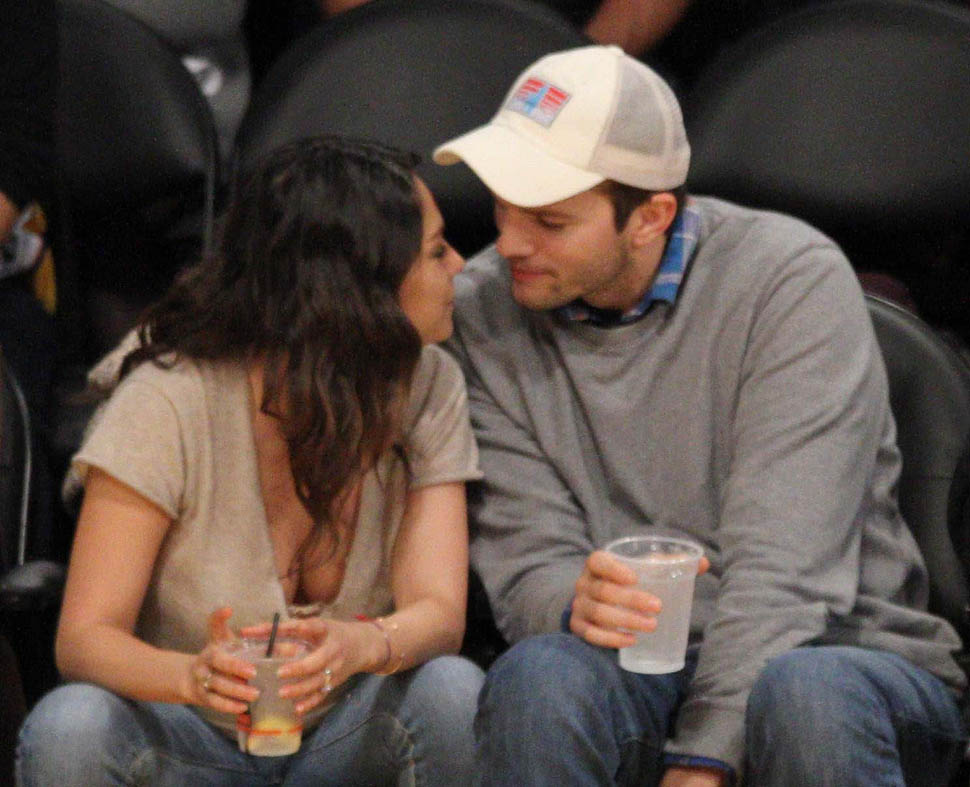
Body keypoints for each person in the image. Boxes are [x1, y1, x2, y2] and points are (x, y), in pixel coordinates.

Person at [433, 45, 968, 786]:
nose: (509, 242)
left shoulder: (789, 281)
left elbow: (787, 573)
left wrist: (706, 754)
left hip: (841, 653)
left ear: (650, 216)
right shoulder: (481, 310)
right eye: (502, 205)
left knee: (805, 695)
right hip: (636, 661)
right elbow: (529, 562)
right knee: (540, 675)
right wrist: (572, 600)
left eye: (550, 220)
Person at [16, 135, 483, 786]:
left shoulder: (430, 381)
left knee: (452, 691)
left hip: (346, 732)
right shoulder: (171, 393)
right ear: (364, 284)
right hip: (194, 738)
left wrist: (367, 643)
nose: (460, 264)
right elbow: (85, 637)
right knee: (73, 726)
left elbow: (438, 608)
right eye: (436, 251)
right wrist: (191, 676)